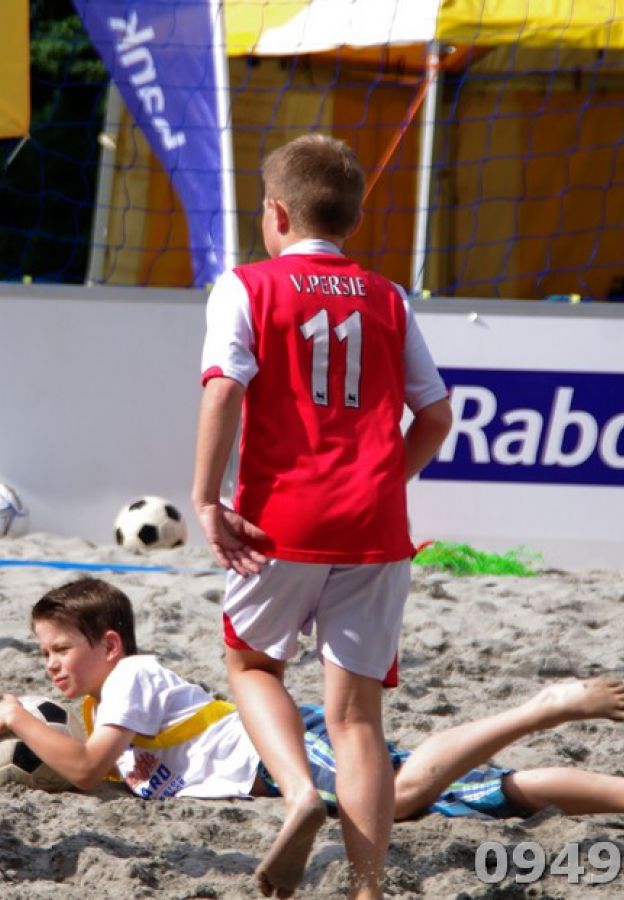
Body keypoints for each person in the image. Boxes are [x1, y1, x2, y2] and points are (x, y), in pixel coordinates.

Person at [0, 578, 624, 892]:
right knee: (484, 800)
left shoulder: (132, 677)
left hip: (282, 751)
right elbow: (94, 768)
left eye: (60, 650)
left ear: (109, 645)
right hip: (272, 776)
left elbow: (85, 769)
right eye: (44, 655)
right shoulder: (100, 708)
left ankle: (544, 706)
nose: (51, 665)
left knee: (401, 794)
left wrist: (16, 715)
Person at [189, 133, 454, 898]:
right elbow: (437, 417)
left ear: (275, 213)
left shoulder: (246, 285)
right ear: (353, 221)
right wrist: (382, 483)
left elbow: (224, 388)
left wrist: (205, 498)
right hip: (375, 528)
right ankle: (368, 888)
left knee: (251, 665)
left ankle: (301, 792)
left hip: (281, 520)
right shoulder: (389, 296)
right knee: (359, 719)